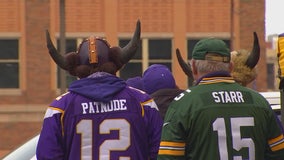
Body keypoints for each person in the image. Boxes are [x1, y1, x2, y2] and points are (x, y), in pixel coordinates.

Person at [36, 20, 163, 160]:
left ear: (77, 70)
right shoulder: (143, 102)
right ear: (114, 65)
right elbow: (159, 153)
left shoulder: (60, 108)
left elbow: (47, 156)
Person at [158, 37, 284, 159]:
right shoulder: (259, 102)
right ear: (230, 67)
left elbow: (168, 157)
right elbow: (279, 153)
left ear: (194, 68)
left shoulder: (183, 104)